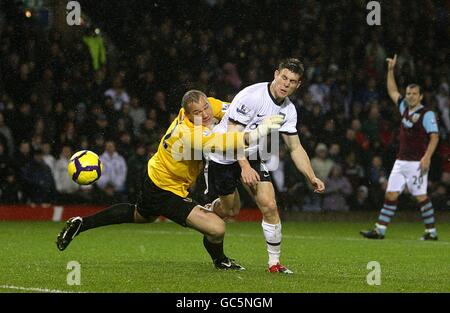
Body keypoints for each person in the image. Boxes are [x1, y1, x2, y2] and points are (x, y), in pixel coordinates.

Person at [56, 90, 284, 271]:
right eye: (198, 111)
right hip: (165, 188)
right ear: (186, 113)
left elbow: (234, 111)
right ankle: (220, 260)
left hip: (156, 174)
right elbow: (225, 143)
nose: (205, 114)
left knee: (140, 215)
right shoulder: (187, 133)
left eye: (206, 107)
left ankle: (81, 224)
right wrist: (260, 131)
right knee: (216, 228)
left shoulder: (204, 108)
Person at [205, 58, 325, 274]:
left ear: (298, 85)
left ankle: (274, 264)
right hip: (222, 156)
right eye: (284, 77)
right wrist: (244, 167)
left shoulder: (288, 111)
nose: (286, 84)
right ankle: (210, 209)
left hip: (251, 156)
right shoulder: (251, 97)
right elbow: (233, 137)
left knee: (269, 206)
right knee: (231, 210)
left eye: (292, 81)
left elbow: (295, 147)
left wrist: (311, 176)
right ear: (276, 74)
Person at [360, 54, 440, 240]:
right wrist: (390, 70)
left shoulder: (426, 114)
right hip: (401, 160)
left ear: (420, 96)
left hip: (416, 163)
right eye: (408, 93)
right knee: (391, 193)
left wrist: (427, 157)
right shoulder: (404, 106)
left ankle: (431, 232)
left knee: (420, 196)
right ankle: (380, 230)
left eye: (414, 94)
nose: (410, 96)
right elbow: (392, 91)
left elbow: (435, 137)